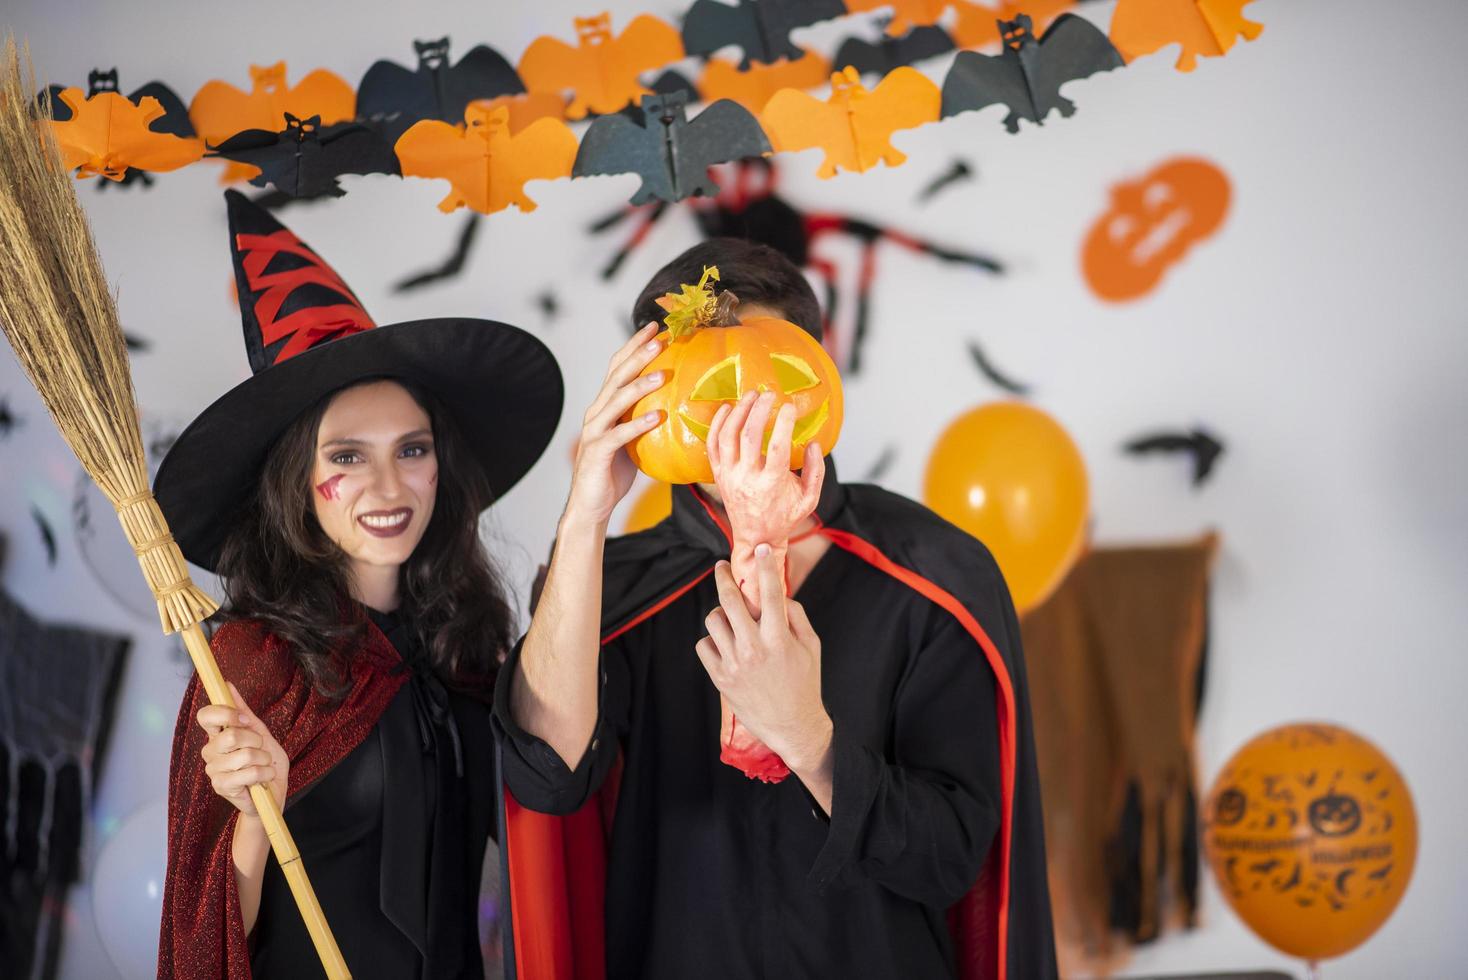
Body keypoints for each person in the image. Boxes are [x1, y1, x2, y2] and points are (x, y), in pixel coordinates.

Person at [495, 238, 1057, 979]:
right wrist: (586, 514)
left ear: (816, 372)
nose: (740, 417)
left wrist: (808, 739)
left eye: (766, 378)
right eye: (708, 385)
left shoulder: (933, 573)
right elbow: (547, 777)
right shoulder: (610, 585)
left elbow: (952, 859)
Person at [153, 191, 562, 979]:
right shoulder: (253, 663)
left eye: (412, 450)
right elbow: (202, 932)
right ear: (296, 483)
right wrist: (250, 815)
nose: (390, 486)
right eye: (346, 457)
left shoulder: (464, 647)